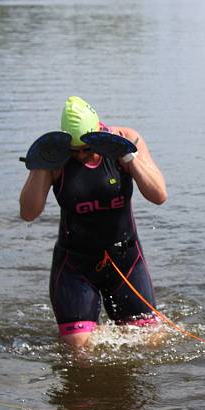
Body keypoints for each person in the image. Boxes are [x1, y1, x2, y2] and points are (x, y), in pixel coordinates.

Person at [19, 96, 167, 347]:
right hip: (75, 264)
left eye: (87, 148)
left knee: (152, 343)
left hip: (126, 260)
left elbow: (159, 195)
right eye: (73, 150)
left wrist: (129, 158)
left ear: (98, 132)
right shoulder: (56, 158)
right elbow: (28, 213)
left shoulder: (128, 138)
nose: (80, 155)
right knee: (78, 350)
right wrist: (41, 165)